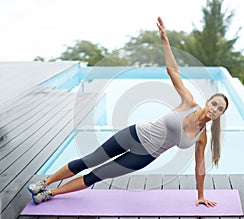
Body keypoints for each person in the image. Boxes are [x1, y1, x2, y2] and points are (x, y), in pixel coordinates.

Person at [28, 17, 228, 208]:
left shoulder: (202, 137)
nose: (215, 109)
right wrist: (165, 40)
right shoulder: (189, 102)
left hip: (144, 156)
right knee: (89, 160)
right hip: (133, 134)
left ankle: (50, 194)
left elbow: (199, 168)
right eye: (215, 104)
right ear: (208, 101)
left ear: (219, 115)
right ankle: (44, 183)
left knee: (96, 176)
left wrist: (201, 196)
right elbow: (173, 72)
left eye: (220, 109)